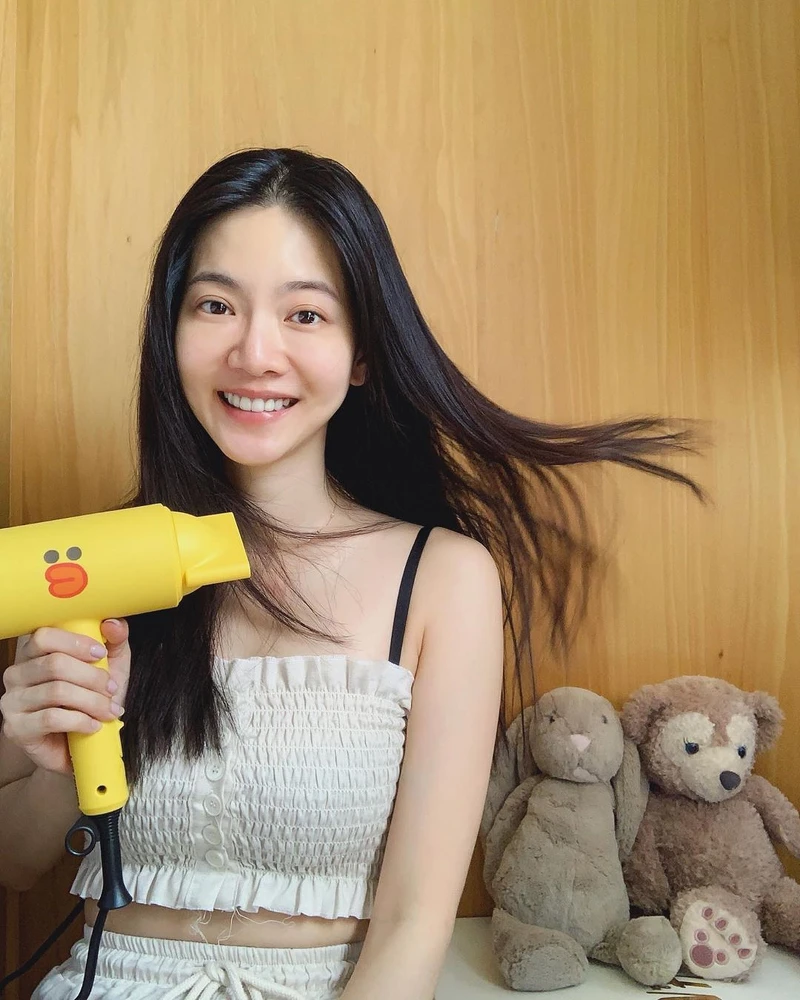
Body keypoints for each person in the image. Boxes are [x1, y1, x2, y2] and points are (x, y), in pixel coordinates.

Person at [0, 148, 700, 999]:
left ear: (362, 353)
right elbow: (15, 865)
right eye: (216, 305)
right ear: (171, 333)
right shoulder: (91, 569)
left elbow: (412, 925)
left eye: (305, 314)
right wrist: (55, 756)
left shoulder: (442, 581)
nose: (255, 353)